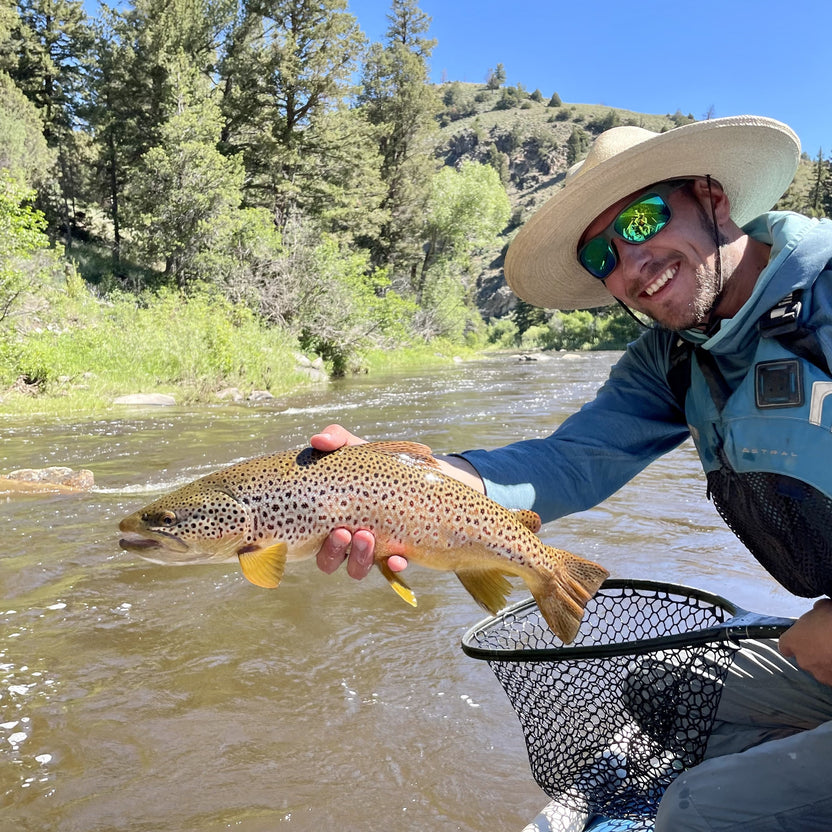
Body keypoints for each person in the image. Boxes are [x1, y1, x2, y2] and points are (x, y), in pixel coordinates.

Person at [311, 115, 832, 830]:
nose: (632, 264)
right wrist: (408, 481)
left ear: (713, 197)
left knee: (694, 810)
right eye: (601, 256)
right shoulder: (671, 359)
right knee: (664, 694)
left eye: (645, 219)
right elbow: (567, 462)